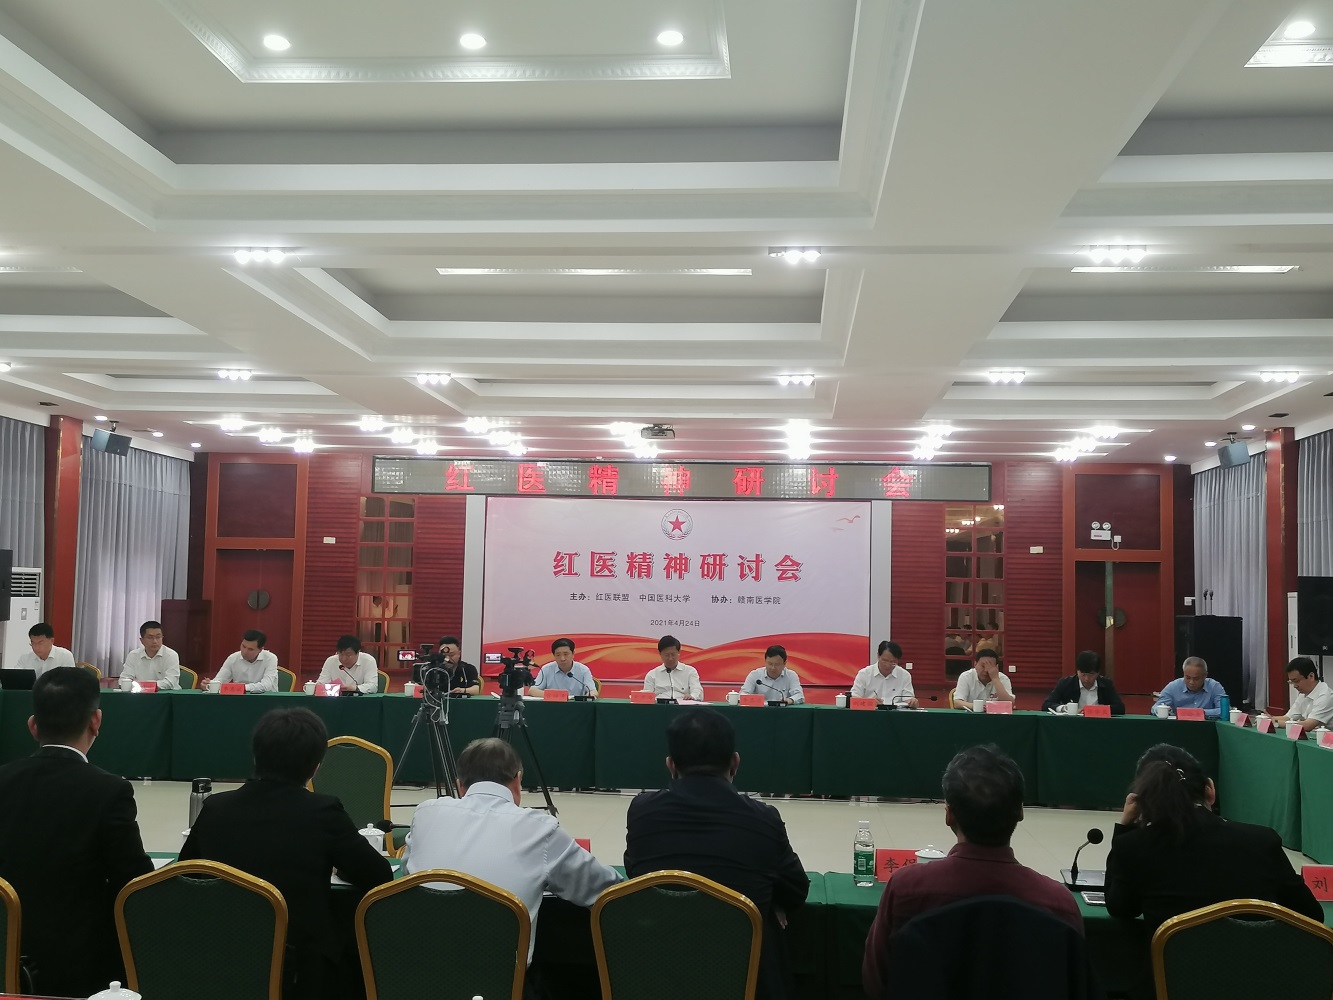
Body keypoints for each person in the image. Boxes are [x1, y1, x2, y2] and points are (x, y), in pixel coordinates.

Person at [180, 708, 393, 1000]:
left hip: (222, 956)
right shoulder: (323, 811)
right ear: (315, 766)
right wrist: (339, 864)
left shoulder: (215, 808)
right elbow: (378, 875)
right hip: (299, 968)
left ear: (256, 757)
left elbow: (185, 872)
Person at [862, 745, 1082, 998]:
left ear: (949, 815)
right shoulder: (1059, 904)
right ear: (1020, 812)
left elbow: (876, 982)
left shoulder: (906, 889)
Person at [625, 709, 808, 1000]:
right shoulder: (764, 819)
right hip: (742, 979)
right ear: (735, 763)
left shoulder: (642, 813)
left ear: (671, 765)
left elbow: (636, 873)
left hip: (659, 977)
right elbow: (796, 891)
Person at [0, 667, 153, 997]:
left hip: (4, 951)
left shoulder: (3, 781)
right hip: (81, 966)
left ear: (33, 725)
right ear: (96, 721)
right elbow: (135, 883)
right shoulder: (109, 790)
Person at [401, 737, 620, 967]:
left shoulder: (426, 813)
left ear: (459, 786)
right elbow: (607, 891)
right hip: (500, 976)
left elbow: (408, 876)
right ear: (518, 780)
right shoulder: (541, 828)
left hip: (414, 967)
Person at [1105, 743, 1321, 932]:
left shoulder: (1133, 847)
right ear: (1210, 789)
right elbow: (1311, 914)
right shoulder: (1262, 841)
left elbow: (1121, 909)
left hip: (1176, 967)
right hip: (1259, 965)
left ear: (1142, 802)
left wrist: (1124, 828)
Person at [1041, 649, 1126, 715]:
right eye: (1083, 674)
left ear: (1098, 673)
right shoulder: (1066, 683)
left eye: (1091, 674)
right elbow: (1047, 704)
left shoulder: (1106, 684)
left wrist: (1099, 709)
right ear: (1077, 671)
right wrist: (1065, 708)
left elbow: (1120, 708)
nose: (1086, 679)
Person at [1268, 657, 1333, 731]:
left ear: (1311, 676)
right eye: (1292, 682)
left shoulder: (1326, 696)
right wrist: (1269, 719)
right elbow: (1288, 718)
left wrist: (1275, 722)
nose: (1295, 686)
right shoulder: (1303, 694)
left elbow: (1308, 726)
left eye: (1297, 681)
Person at [1152, 656, 1225, 719]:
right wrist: (1163, 710)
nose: (1191, 682)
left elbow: (1224, 711)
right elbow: (1154, 708)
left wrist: (1198, 713)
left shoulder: (1214, 687)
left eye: (1196, 679)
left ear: (1205, 675)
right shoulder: (1173, 687)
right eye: (1188, 677)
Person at [209, 629, 279, 693]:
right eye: (243, 646)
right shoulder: (233, 658)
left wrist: (240, 687)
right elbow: (219, 680)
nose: (245, 652)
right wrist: (210, 684)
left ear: (260, 650)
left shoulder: (270, 658)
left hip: (266, 699)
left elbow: (266, 686)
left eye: (250, 649)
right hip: (239, 699)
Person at [119, 619, 181, 690]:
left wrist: (145, 686)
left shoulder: (171, 655)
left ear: (162, 638)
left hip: (167, 694)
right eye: (150, 637)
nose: (155, 641)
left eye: (158, 637)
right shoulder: (133, 655)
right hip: (140, 693)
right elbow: (124, 679)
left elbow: (170, 682)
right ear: (142, 640)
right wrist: (137, 686)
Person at [850, 641, 916, 707]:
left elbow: (908, 699)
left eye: (893, 662)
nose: (888, 665)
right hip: (871, 711)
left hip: (895, 712)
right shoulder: (864, 674)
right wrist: (870, 702)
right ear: (878, 656)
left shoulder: (904, 675)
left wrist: (912, 702)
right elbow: (853, 699)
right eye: (885, 661)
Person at [530, 637, 598, 697]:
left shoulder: (583, 670)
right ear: (554, 655)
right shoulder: (546, 669)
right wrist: (556, 696)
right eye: (558, 655)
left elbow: (593, 691)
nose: (562, 658)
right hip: (552, 705)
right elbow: (532, 690)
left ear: (573, 653)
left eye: (566, 654)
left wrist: (590, 694)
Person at [642, 634, 704, 701]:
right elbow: (646, 696)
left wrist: (692, 696)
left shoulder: (690, 671)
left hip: (684, 705)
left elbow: (697, 690)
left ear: (679, 652)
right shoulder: (652, 675)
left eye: (673, 654)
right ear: (660, 654)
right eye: (667, 655)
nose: (670, 658)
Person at [413, 634, 480, 695]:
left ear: (459, 654)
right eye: (444, 655)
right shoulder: (430, 668)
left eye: (451, 655)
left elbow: (476, 690)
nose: (447, 659)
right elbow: (416, 686)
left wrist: (462, 690)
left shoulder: (467, 669)